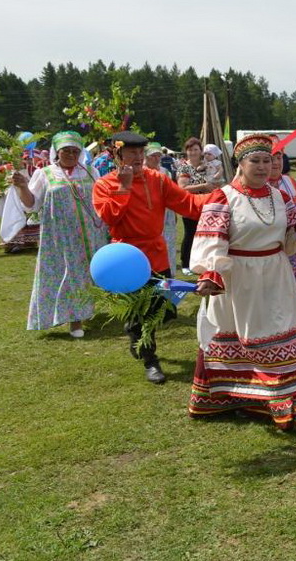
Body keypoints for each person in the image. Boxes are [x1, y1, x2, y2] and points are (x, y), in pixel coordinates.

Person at [187, 134, 296, 430]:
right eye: (254, 161)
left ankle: (287, 400)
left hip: (276, 275)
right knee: (239, 335)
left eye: (267, 161)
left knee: (281, 332)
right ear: (240, 164)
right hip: (238, 279)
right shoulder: (223, 197)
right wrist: (210, 273)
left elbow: (291, 235)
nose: (262, 167)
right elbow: (210, 240)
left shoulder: (281, 197)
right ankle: (235, 397)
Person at [93, 130, 212, 383]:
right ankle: (151, 360)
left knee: (166, 312)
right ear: (117, 154)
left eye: (141, 152)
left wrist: (224, 198)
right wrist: (124, 188)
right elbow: (109, 217)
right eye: (132, 152)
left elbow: (188, 203)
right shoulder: (104, 184)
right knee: (141, 316)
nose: (138, 157)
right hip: (127, 259)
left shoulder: (157, 180)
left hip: (157, 255)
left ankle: (134, 332)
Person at [10, 130, 108, 338]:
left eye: (75, 151)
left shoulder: (91, 172)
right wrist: (21, 187)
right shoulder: (45, 174)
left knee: (86, 275)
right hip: (60, 236)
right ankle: (75, 319)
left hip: (90, 234)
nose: (71, 155)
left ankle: (84, 311)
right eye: (66, 151)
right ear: (57, 152)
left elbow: (101, 200)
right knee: (67, 274)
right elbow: (31, 205)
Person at [267, 148, 296, 312]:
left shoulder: (292, 182)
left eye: (279, 157)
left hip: (294, 250)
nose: (276, 163)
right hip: (269, 253)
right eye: (271, 158)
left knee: (293, 289)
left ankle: (295, 332)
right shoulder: (257, 186)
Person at [177, 137, 216, 275]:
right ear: (186, 151)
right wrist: (204, 185)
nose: (193, 152)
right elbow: (182, 188)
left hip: (207, 205)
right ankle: (186, 263)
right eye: (190, 150)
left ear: (201, 151)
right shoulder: (184, 167)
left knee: (206, 235)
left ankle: (202, 262)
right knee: (190, 235)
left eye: (196, 149)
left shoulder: (207, 164)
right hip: (190, 205)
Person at [144, 143, 179, 276]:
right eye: (153, 156)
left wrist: (174, 212)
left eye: (159, 155)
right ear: (146, 157)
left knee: (168, 243)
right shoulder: (141, 172)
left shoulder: (165, 172)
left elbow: (172, 194)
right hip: (150, 213)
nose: (157, 158)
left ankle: (168, 273)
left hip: (167, 213)